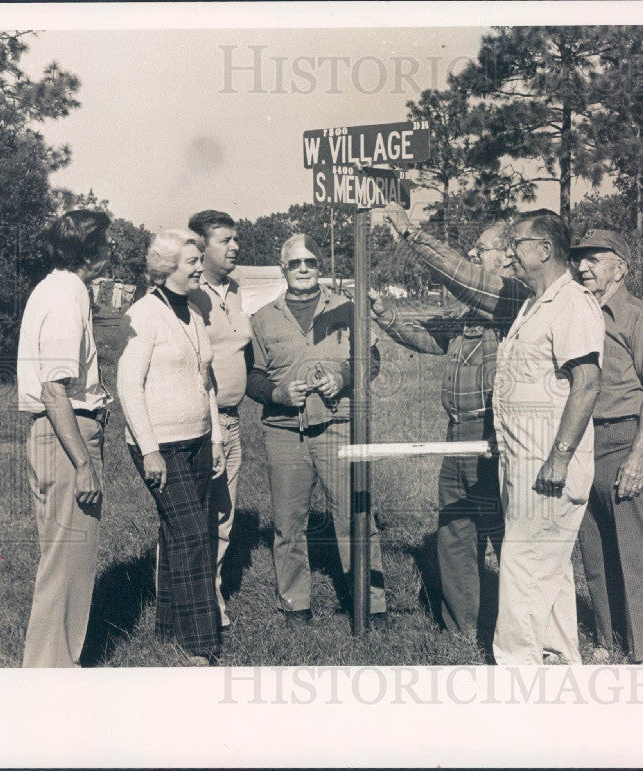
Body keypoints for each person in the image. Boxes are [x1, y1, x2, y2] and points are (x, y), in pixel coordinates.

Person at [384, 205, 603, 665]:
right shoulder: (532, 303)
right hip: (522, 458)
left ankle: (516, 671)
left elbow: (587, 383)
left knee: (522, 569)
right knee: (550, 573)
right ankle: (559, 661)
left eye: (515, 245)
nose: (509, 254)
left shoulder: (569, 302)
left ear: (544, 249)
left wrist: (560, 457)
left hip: (548, 462)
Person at [366, 221, 510, 637]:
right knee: (455, 531)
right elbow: (431, 337)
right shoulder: (469, 311)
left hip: (494, 436)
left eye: (482, 249)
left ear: (507, 255)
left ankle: (515, 629)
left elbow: (458, 275)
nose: (473, 256)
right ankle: (461, 630)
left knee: (504, 535)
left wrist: (411, 233)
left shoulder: (512, 298)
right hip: (457, 433)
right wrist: (382, 312)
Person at [247, 233, 387, 626]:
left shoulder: (347, 308)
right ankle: (295, 604)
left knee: (354, 515)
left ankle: (371, 603)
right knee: (288, 523)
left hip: (337, 425)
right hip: (284, 431)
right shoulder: (262, 317)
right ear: (283, 269)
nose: (304, 269)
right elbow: (251, 378)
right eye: (296, 263)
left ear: (320, 267)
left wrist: (343, 377)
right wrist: (277, 392)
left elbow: (371, 362)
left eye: (310, 262)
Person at [117, 229, 226, 665]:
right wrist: (149, 449)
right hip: (160, 445)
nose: (200, 267)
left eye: (200, 259)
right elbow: (128, 385)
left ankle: (168, 628)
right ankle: (201, 643)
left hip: (198, 439)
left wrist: (215, 438)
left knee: (178, 535)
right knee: (195, 536)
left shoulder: (193, 312)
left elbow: (206, 383)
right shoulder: (144, 314)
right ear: (166, 269)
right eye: (191, 263)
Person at [570, 229, 643, 664]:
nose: (583, 267)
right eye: (580, 260)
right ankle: (606, 640)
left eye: (595, 259)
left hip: (622, 436)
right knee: (593, 548)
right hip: (582, 440)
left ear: (620, 268)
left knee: (635, 547)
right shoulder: (579, 314)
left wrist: (638, 452)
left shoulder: (639, 314)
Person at [17, 209, 113, 667]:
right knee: (66, 565)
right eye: (107, 243)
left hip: (58, 432)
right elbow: (55, 389)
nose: (112, 249)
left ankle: (53, 668)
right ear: (90, 253)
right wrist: (84, 463)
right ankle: (50, 673)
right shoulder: (64, 297)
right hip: (66, 433)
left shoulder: (58, 289)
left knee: (61, 562)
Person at [186, 210, 251, 630]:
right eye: (225, 240)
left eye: (235, 239)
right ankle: (186, 601)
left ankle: (211, 594)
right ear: (202, 247)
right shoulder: (188, 294)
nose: (235, 247)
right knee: (193, 517)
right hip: (199, 425)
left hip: (232, 421)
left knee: (223, 517)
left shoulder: (236, 290)